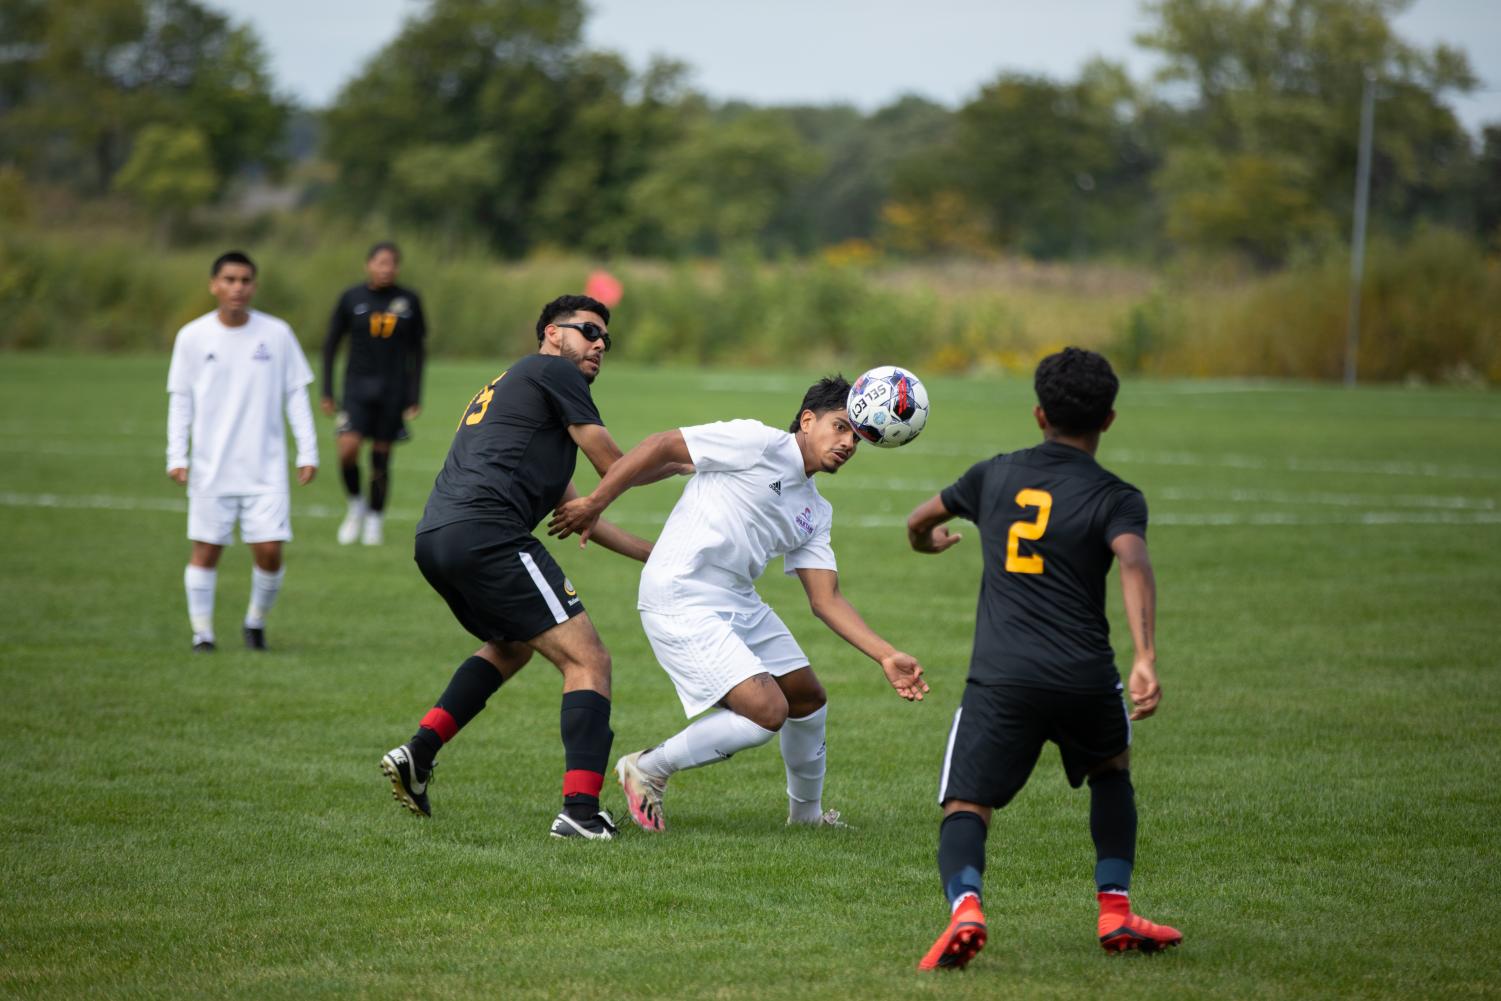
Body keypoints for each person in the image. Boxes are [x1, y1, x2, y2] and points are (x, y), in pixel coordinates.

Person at [548, 376, 930, 834]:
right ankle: (648, 767)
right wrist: (594, 503)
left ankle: (807, 818)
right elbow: (662, 445)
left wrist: (886, 654)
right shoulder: (758, 442)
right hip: (679, 593)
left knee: (807, 698)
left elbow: (825, 599)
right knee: (767, 712)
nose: (848, 442)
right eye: (840, 427)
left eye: (857, 436)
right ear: (807, 420)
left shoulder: (815, 510)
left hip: (736, 598)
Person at [906, 347, 1180, 970]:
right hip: (1087, 675)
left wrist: (927, 540)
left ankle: (967, 907)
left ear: (1038, 415)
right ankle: (1115, 910)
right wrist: (1145, 657)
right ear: (1108, 420)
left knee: (966, 803)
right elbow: (1134, 561)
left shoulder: (993, 476)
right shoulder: (1117, 495)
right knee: (1111, 770)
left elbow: (920, 519)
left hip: (1002, 679)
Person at [380, 295, 677, 840]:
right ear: (549, 333)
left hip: (437, 539)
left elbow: (577, 512)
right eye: (587, 331)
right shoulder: (552, 372)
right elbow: (614, 465)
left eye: (605, 338)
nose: (598, 345)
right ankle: (581, 813)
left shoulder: (521, 391)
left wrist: (658, 553)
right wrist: (691, 459)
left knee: (511, 645)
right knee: (589, 661)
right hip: (489, 533)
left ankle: (419, 752)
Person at [166, 250, 319, 652]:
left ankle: (255, 623)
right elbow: (181, 400)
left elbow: (296, 395)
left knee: (269, 551)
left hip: (265, 469)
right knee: (206, 549)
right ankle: (203, 634)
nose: (238, 287)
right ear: (214, 284)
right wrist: (176, 455)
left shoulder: (277, 334)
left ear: (254, 285)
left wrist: (308, 451)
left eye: (245, 280)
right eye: (230, 280)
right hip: (210, 467)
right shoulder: (193, 337)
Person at [321, 241, 427, 546]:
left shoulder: (408, 300)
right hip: (356, 389)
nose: (386, 269)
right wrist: (327, 391)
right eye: (380, 263)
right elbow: (330, 345)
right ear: (369, 265)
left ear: (397, 267)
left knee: (381, 458)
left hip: (392, 391)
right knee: (348, 449)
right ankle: (355, 505)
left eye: (391, 263)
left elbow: (417, 351)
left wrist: (414, 394)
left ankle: (375, 521)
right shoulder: (351, 298)